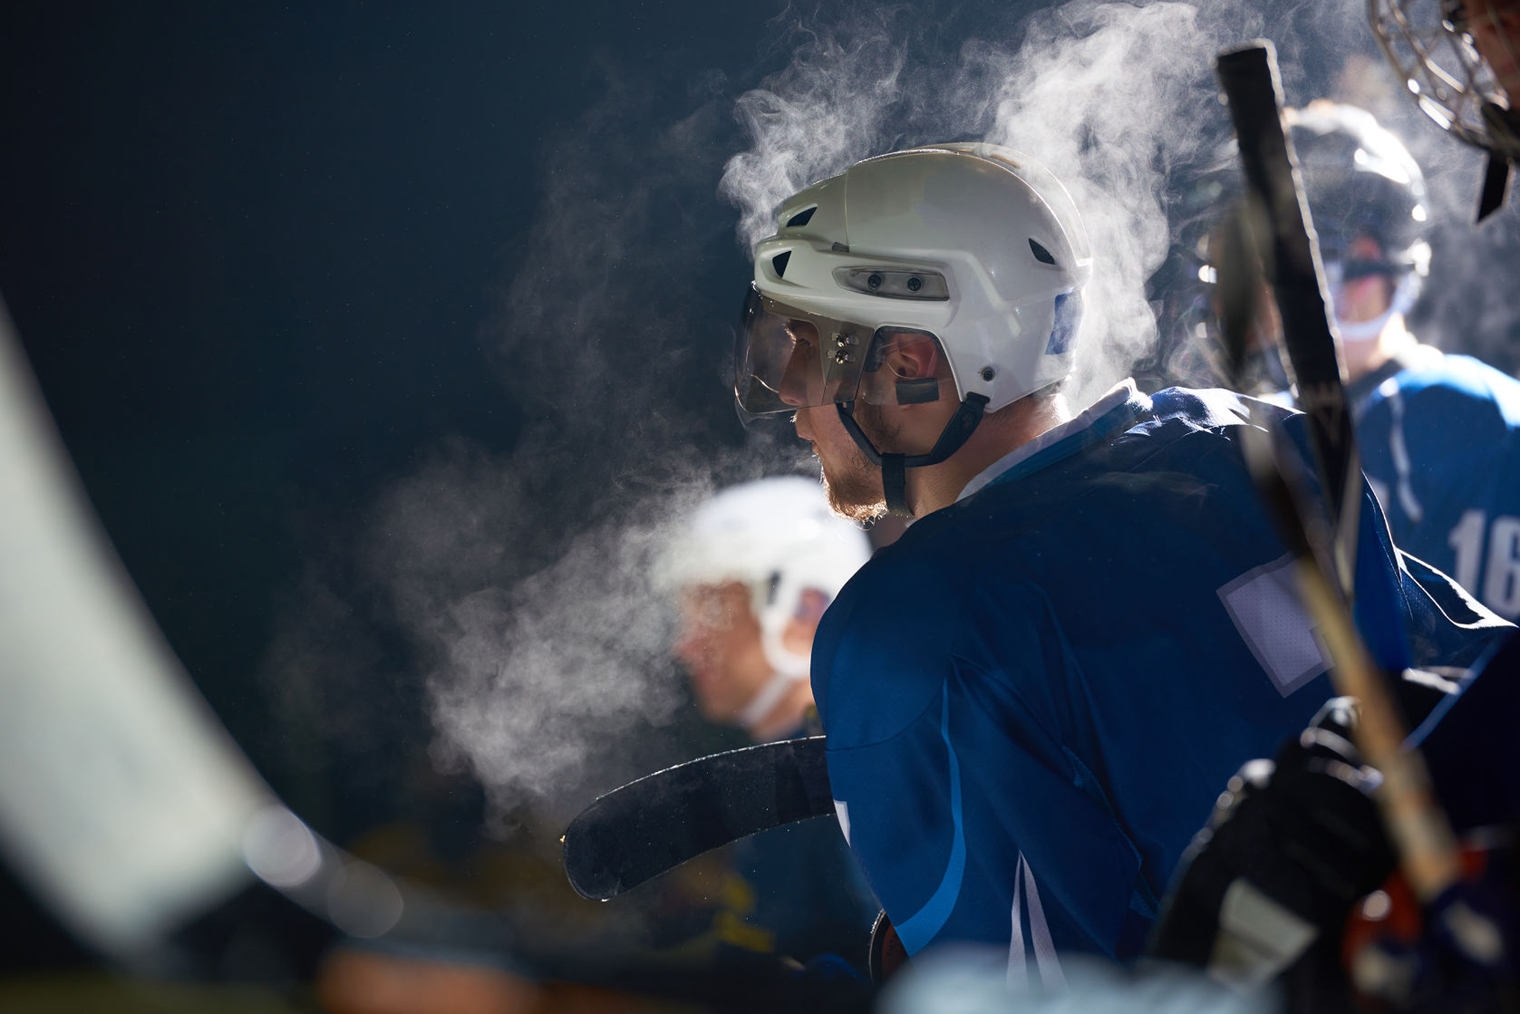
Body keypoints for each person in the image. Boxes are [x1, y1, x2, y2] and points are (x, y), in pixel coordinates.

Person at [731, 142, 1507, 979]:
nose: (788, 393)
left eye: (806, 347)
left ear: (908, 363)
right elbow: (1482, 687)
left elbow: (1026, 991)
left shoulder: (908, 629)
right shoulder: (1256, 436)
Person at [657, 476, 879, 971]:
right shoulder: (794, 768)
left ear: (804, 611)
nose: (685, 646)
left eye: (711, 614)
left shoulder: (835, 779)